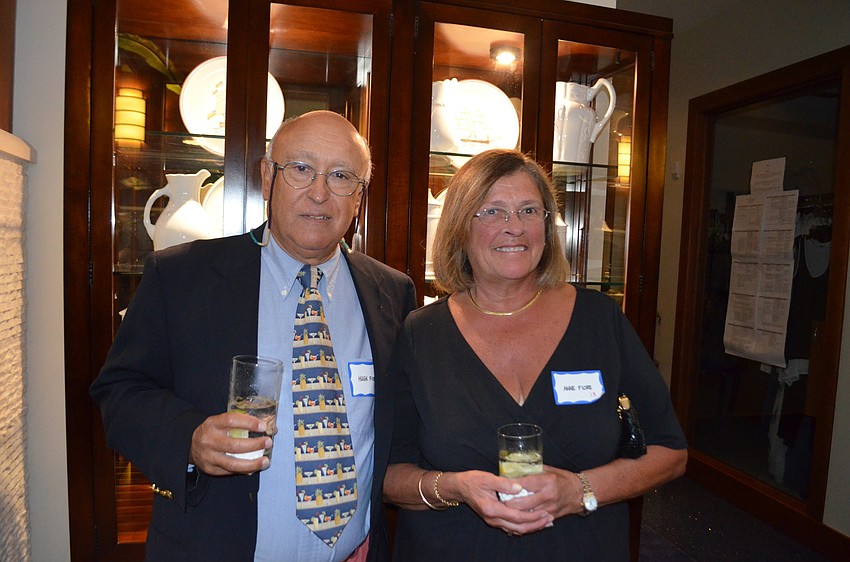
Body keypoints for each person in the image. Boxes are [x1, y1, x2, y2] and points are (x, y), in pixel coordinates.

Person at [90, 110, 417, 562]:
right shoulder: (182, 276)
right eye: (301, 169)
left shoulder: (392, 293)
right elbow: (120, 392)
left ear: (359, 197)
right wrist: (190, 438)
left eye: (341, 176)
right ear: (267, 177)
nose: (319, 193)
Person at [383, 149, 687, 560]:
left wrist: (578, 492)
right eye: (492, 212)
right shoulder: (421, 334)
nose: (515, 228)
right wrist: (456, 488)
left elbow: (670, 452)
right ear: (459, 228)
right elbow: (389, 474)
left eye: (529, 210)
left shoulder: (599, 320)